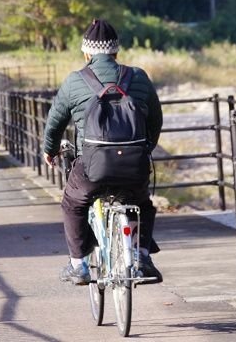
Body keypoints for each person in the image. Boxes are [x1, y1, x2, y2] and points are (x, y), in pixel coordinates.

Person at [43, 18, 164, 285]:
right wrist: (144, 150)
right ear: (115, 52)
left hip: (91, 166)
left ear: (86, 53)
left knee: (73, 203)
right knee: (142, 202)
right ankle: (142, 256)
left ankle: (79, 265)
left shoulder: (75, 81)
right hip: (134, 164)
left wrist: (49, 151)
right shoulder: (139, 77)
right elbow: (155, 121)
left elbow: (54, 124)